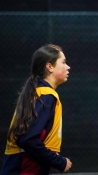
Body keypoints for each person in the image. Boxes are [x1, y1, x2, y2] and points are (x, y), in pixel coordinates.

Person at [0, 44, 73, 175]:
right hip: (25, 167)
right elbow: (28, 139)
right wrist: (58, 161)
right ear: (49, 66)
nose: (68, 67)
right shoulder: (45, 96)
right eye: (63, 62)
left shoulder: (38, 93)